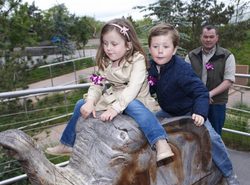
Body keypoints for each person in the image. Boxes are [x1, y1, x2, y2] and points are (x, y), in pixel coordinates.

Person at [46, 18, 174, 162]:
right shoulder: (105, 61)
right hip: (113, 98)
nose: (108, 48)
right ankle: (67, 143)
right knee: (80, 104)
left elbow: (133, 88)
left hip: (135, 100)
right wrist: (90, 101)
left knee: (132, 105)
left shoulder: (137, 59)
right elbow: (96, 84)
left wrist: (115, 109)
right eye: (105, 43)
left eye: (114, 44)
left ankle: (161, 142)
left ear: (128, 45)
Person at [147, 23, 243, 185]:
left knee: (212, 138)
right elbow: (148, 88)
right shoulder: (151, 67)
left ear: (175, 49)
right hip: (167, 111)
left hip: (189, 111)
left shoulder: (181, 69)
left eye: (165, 47)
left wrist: (199, 112)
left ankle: (230, 174)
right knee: (145, 125)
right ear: (150, 48)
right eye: (155, 46)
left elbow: (200, 91)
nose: (160, 51)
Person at [185, 24, 235, 136]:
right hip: (195, 102)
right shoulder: (191, 56)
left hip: (216, 103)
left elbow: (228, 81)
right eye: (205, 36)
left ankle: (214, 154)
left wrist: (208, 95)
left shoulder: (227, 56)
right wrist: (200, 96)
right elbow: (187, 80)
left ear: (217, 37)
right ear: (201, 37)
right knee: (194, 135)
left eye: (211, 37)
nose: (208, 39)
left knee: (215, 135)